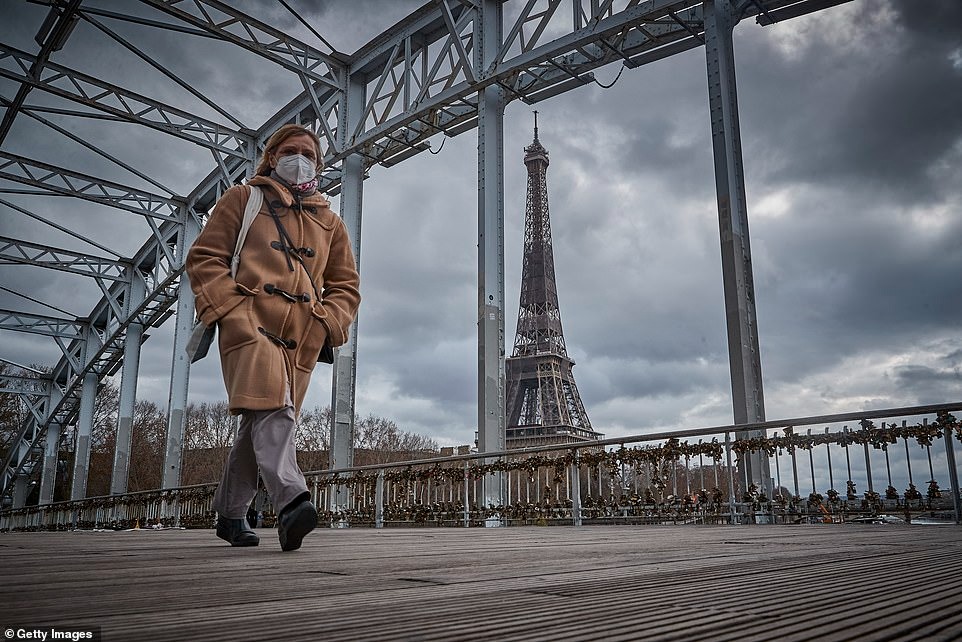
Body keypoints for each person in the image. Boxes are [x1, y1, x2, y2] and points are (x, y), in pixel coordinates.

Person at [186, 124, 361, 551]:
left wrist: (323, 324)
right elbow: (205, 258)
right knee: (276, 410)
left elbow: (346, 286)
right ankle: (292, 499)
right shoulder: (242, 200)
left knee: (262, 419)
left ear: (318, 164)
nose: (299, 158)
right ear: (271, 157)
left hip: (302, 336)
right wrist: (232, 310)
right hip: (248, 324)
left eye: (308, 153)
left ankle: (230, 515)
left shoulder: (330, 223)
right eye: (289, 150)